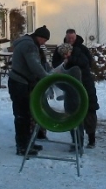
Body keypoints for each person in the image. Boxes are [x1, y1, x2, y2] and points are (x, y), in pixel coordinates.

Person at [8, 25, 54, 156]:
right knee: (22, 116)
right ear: (40, 37)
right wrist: (47, 78)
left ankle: (28, 144)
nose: (44, 43)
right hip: (20, 84)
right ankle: (23, 147)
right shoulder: (30, 46)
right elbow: (35, 66)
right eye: (44, 40)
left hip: (19, 83)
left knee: (26, 115)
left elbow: (39, 64)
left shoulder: (27, 43)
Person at [52, 28, 100, 148]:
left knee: (89, 111)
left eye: (72, 38)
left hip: (86, 84)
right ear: (66, 37)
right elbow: (55, 64)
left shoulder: (82, 49)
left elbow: (88, 63)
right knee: (73, 112)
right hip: (71, 86)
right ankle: (76, 141)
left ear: (76, 37)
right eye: (69, 38)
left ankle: (91, 139)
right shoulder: (60, 49)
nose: (71, 40)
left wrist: (71, 60)